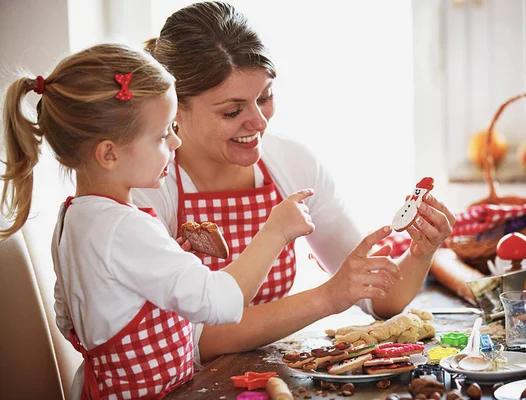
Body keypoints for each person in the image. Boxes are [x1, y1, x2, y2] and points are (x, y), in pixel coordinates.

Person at [0, 43, 398, 398]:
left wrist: (162, 268)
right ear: (109, 154)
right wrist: (275, 232)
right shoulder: (125, 227)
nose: (175, 143)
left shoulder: (73, 216)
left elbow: (69, 313)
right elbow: (220, 303)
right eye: (162, 136)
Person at [135, 1, 456, 363]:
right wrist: (328, 297)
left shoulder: (291, 163)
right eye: (232, 110)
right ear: (174, 107)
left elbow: (378, 299)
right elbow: (192, 339)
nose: (259, 122)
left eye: (264, 97)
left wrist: (420, 251)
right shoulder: (146, 186)